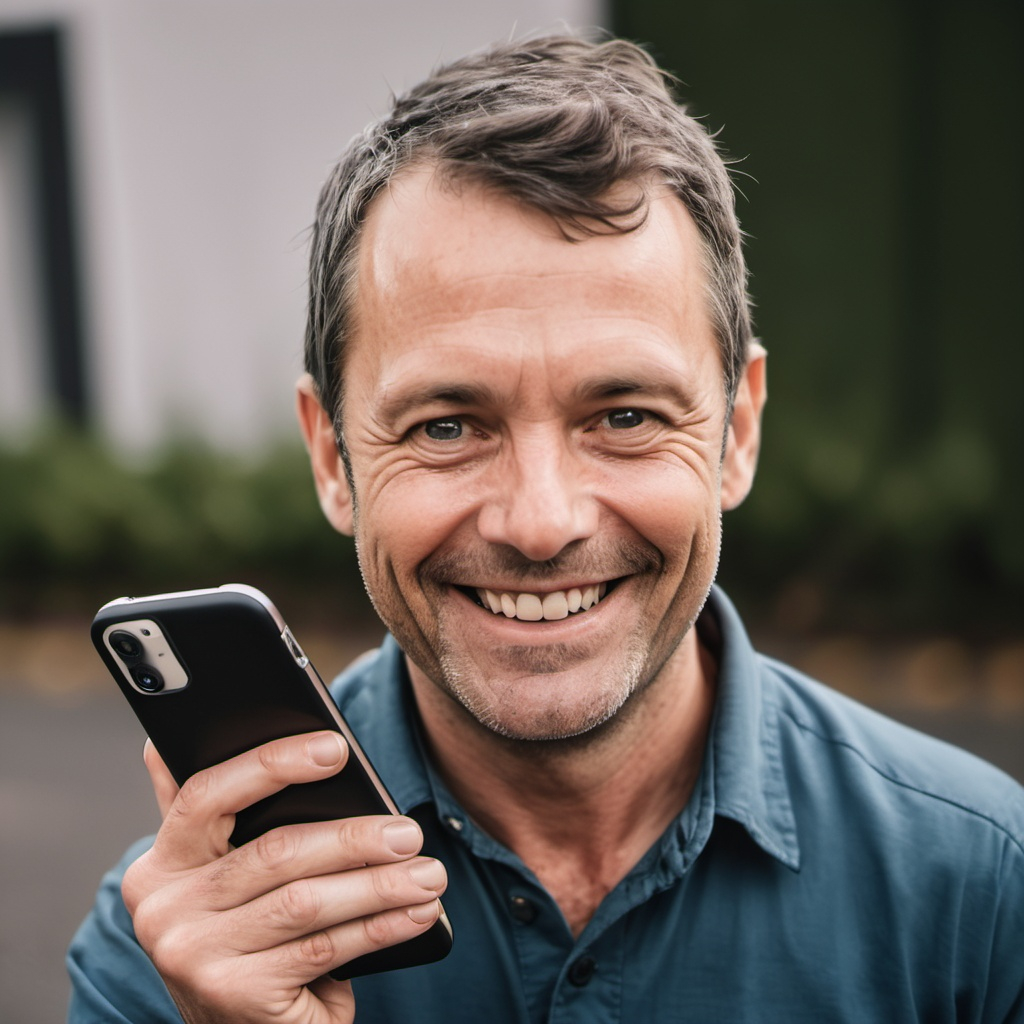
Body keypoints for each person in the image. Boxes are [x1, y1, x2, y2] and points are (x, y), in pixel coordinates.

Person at [68, 33, 1024, 1024]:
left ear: (737, 431)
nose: (539, 520)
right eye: (446, 424)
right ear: (330, 456)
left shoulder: (979, 889)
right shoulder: (177, 957)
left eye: (624, 416)